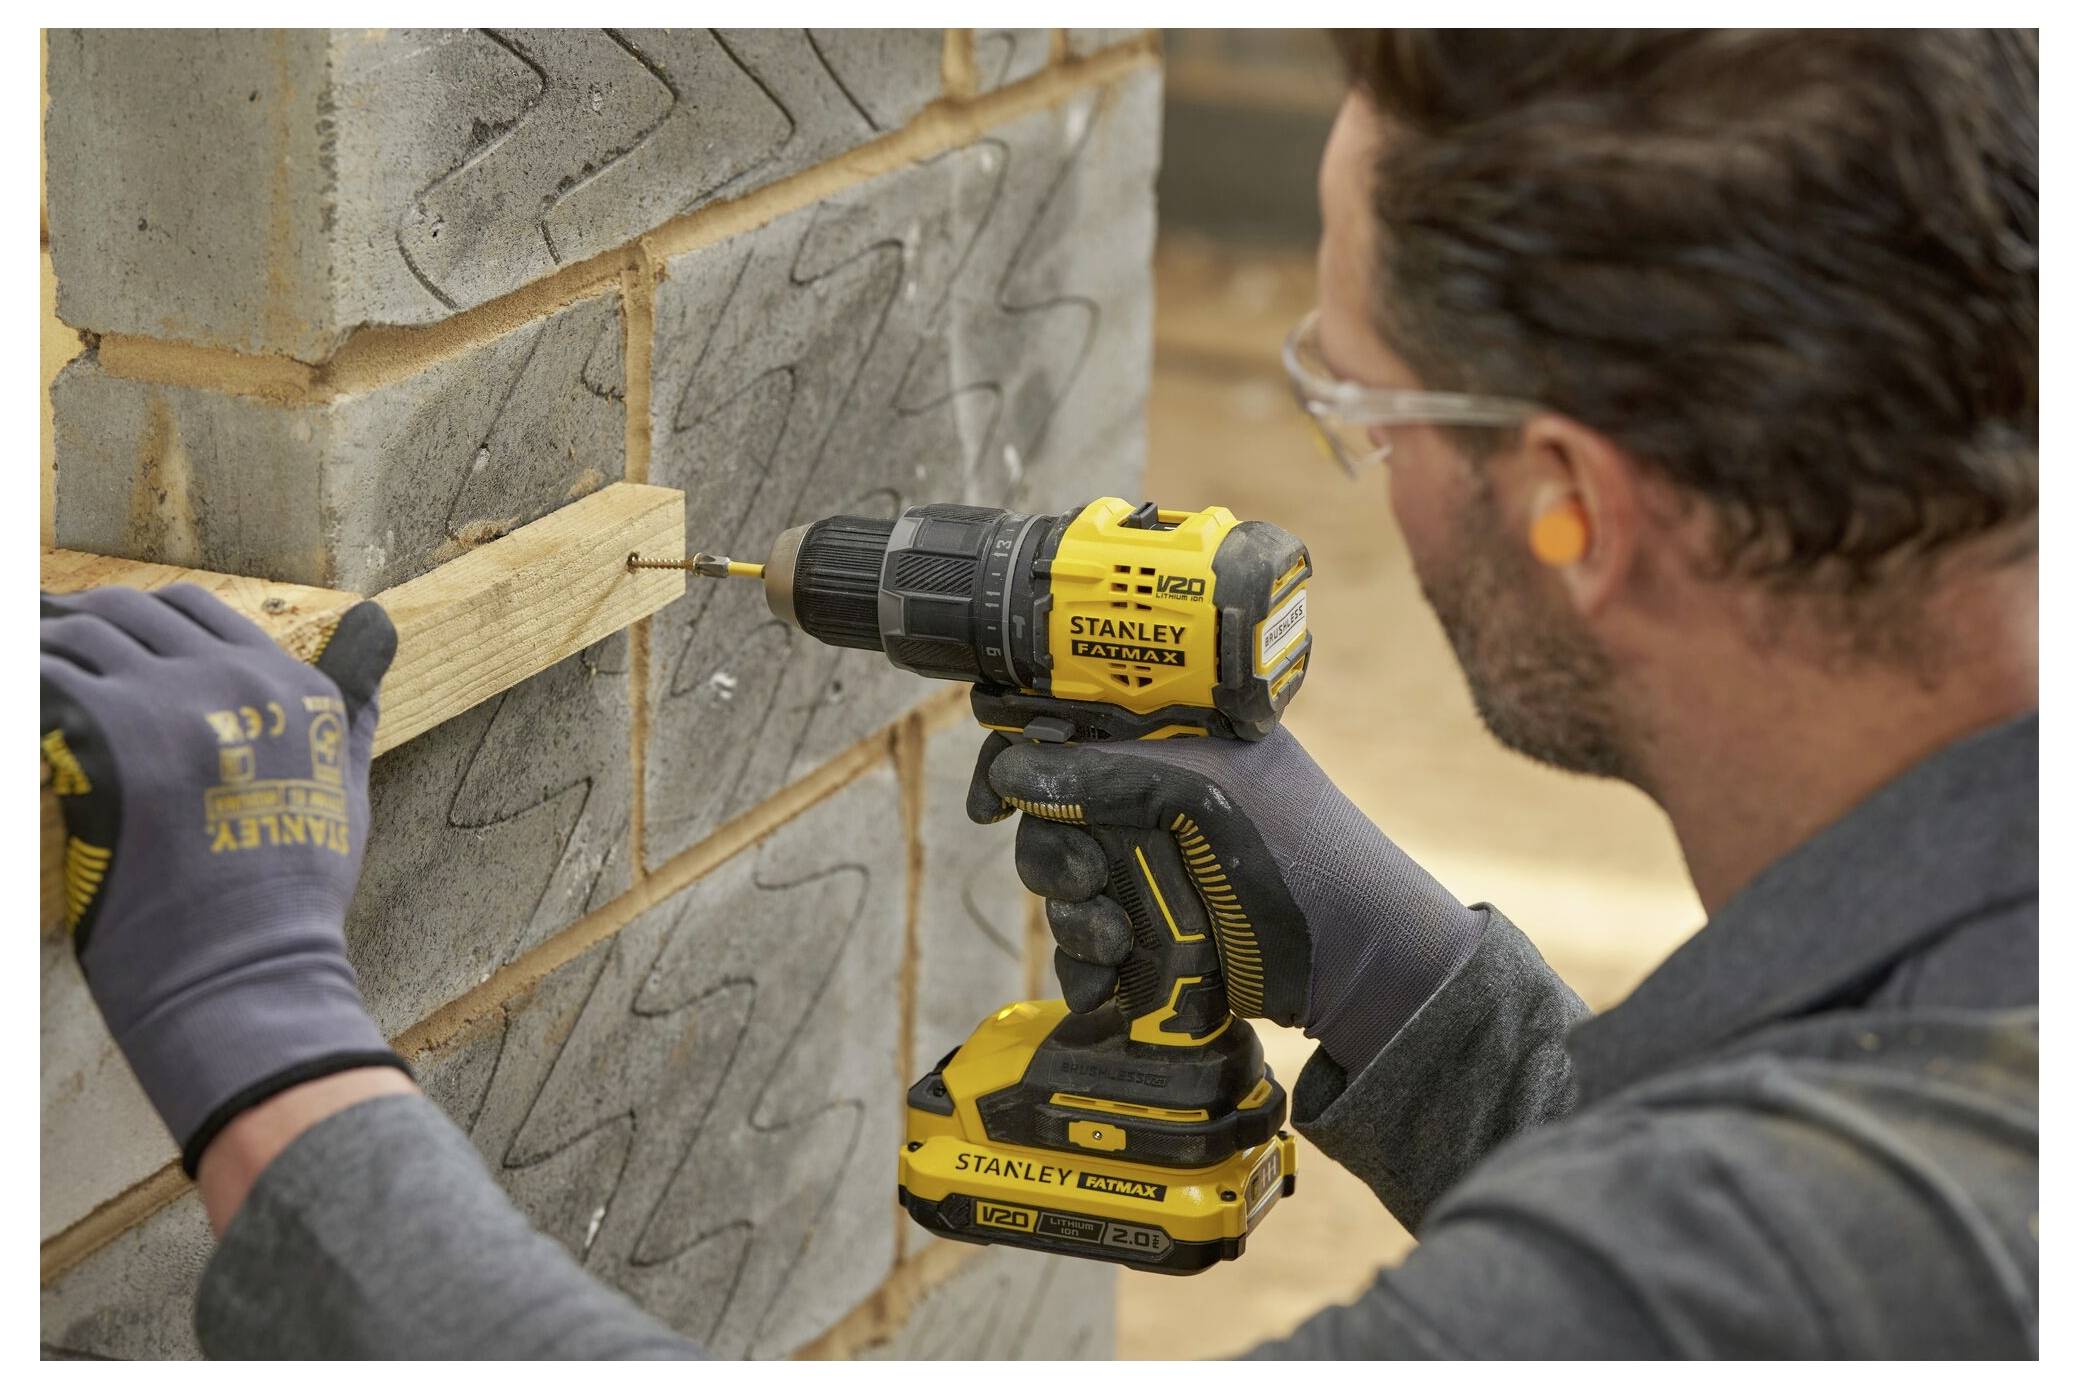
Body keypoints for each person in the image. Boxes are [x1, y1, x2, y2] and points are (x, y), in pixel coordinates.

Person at [41, 28, 2036, 1358]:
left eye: (1350, 406)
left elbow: (1708, 1269)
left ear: (1572, 510)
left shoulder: (1800, 1240)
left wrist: (261, 1035)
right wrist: (1414, 993)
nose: (1346, 462)